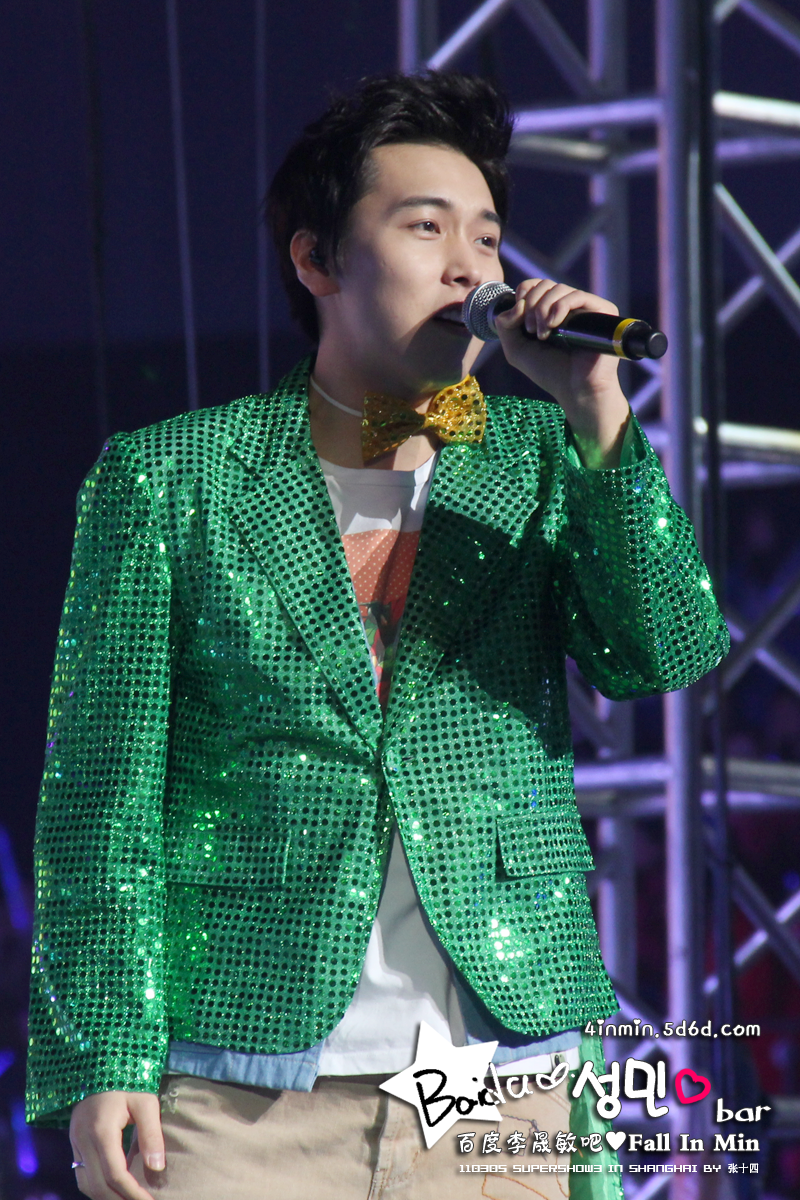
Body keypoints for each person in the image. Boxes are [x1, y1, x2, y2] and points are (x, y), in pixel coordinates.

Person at [26, 72, 729, 1199]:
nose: (470, 267)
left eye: (487, 236)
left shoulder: (539, 460)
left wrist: (597, 414)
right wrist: (104, 1054)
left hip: (500, 1076)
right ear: (317, 260)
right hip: (239, 1087)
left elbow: (665, 653)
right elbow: (101, 799)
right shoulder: (170, 479)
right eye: (425, 227)